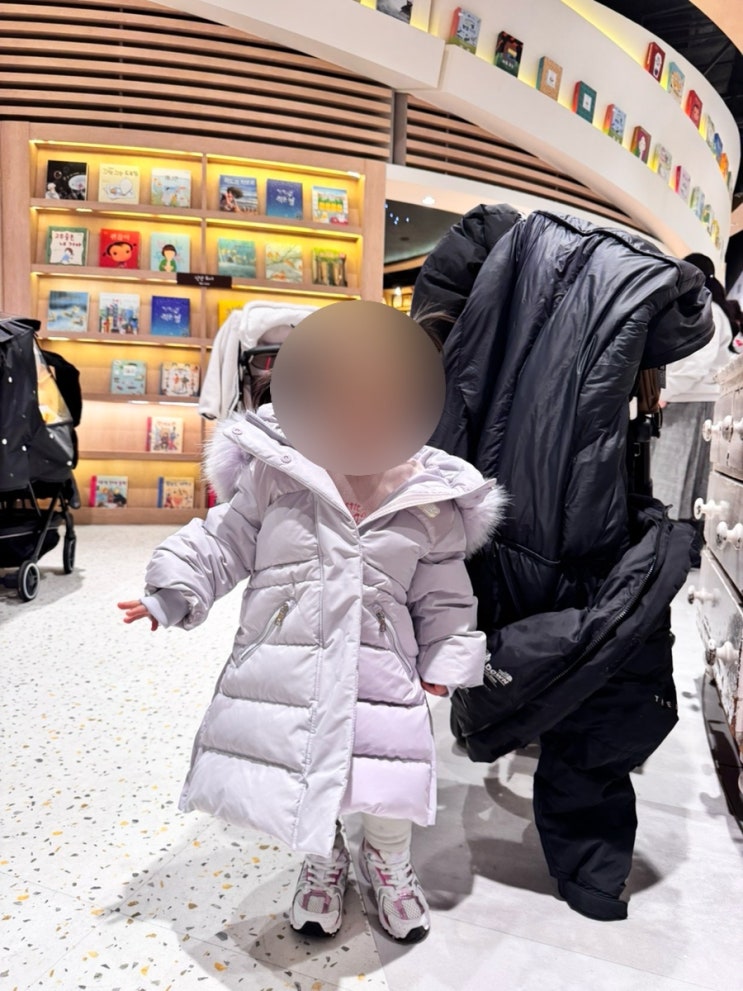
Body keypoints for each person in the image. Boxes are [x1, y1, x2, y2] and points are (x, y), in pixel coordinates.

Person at [118, 304, 507, 944]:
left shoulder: (428, 498)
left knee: (384, 776)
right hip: (290, 658)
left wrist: (447, 657)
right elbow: (225, 539)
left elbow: (444, 591)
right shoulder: (276, 471)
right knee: (302, 771)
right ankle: (322, 860)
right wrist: (174, 589)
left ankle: (388, 862)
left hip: (382, 667)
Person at [412, 205, 713, 921]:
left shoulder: (490, 251)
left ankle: (413, 799)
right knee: (599, 669)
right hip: (579, 519)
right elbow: (692, 331)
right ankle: (589, 866)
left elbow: (436, 345)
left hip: (483, 505)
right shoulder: (644, 287)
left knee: (504, 641)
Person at [651, 253, 734, 552]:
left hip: (695, 400)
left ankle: (678, 545)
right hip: (689, 398)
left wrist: (664, 393)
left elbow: (697, 364)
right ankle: (676, 544)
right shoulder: (702, 307)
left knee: (679, 476)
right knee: (678, 476)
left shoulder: (708, 309)